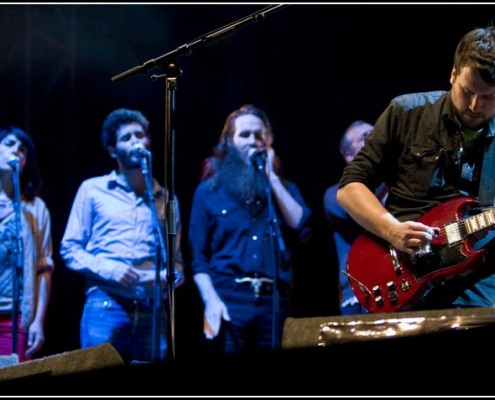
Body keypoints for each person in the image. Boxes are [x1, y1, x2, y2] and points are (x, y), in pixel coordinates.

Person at [337, 26, 495, 312]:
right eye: (467, 92)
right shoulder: (406, 111)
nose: (474, 105)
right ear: (453, 74)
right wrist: (392, 230)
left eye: (488, 98)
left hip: (479, 282)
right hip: (402, 269)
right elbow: (349, 189)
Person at [60, 108, 184, 364]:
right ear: (113, 150)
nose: (136, 141)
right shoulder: (92, 190)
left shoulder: (167, 199)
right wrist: (110, 269)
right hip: (106, 304)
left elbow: (177, 262)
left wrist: (164, 276)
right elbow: (70, 248)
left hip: (152, 308)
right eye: (127, 138)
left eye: (140, 135)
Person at [188, 104, 313, 354]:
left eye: (259, 135)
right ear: (230, 141)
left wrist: (273, 180)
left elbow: (302, 226)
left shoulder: (284, 188)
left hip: (275, 302)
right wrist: (211, 300)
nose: (253, 141)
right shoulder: (209, 191)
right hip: (229, 300)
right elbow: (198, 259)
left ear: (268, 141)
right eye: (244, 135)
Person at [0, 125, 54, 362]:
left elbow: (44, 268)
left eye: (23, 150)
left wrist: (38, 321)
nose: (17, 152)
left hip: (15, 318)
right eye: (10, 144)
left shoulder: (35, 209)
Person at [323, 120, 388, 315]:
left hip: (398, 284)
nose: (375, 138)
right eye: (366, 137)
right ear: (350, 155)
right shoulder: (334, 195)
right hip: (359, 293)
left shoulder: (395, 185)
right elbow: (363, 205)